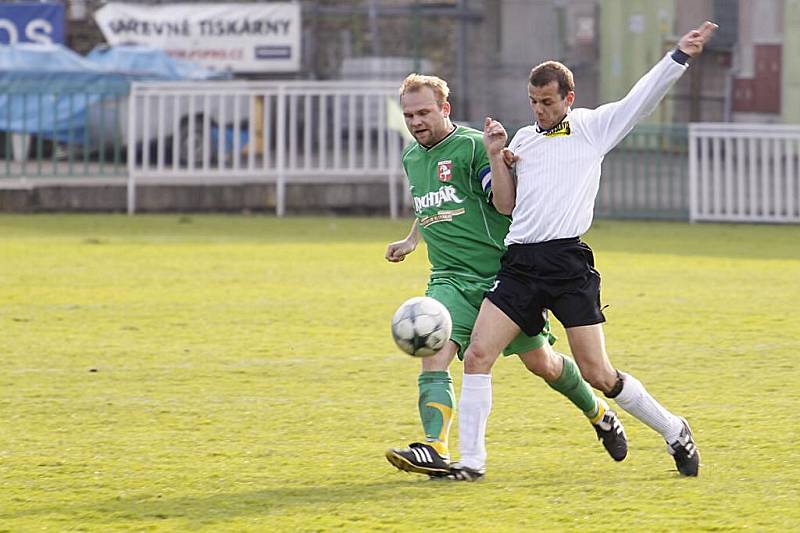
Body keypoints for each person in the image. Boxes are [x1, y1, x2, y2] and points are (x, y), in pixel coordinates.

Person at [448, 22, 718, 481]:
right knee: (477, 356)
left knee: (598, 373)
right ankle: (471, 463)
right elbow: (506, 205)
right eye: (533, 102)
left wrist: (679, 55)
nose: (539, 110)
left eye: (547, 102)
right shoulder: (523, 140)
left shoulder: (593, 127)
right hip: (519, 265)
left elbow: (641, 98)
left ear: (568, 98)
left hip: (567, 264)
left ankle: (674, 429)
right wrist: (497, 154)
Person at [384, 73, 628, 479]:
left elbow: (503, 203)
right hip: (448, 279)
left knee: (544, 364)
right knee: (435, 355)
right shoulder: (412, 157)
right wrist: (412, 239)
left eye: (424, 112)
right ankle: (435, 448)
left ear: (445, 109)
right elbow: (432, 204)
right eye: (409, 114)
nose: (416, 121)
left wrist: (497, 158)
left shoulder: (471, 148)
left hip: (499, 277)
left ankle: (598, 411)